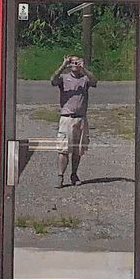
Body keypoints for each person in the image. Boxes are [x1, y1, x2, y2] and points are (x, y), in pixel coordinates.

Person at [49, 54, 96, 188]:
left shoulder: (85, 79)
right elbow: (53, 80)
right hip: (66, 118)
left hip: (81, 119)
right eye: (72, 62)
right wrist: (63, 65)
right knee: (63, 149)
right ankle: (60, 176)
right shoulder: (64, 78)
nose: (75, 64)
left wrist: (84, 68)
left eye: (77, 62)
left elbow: (94, 81)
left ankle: (74, 175)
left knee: (77, 150)